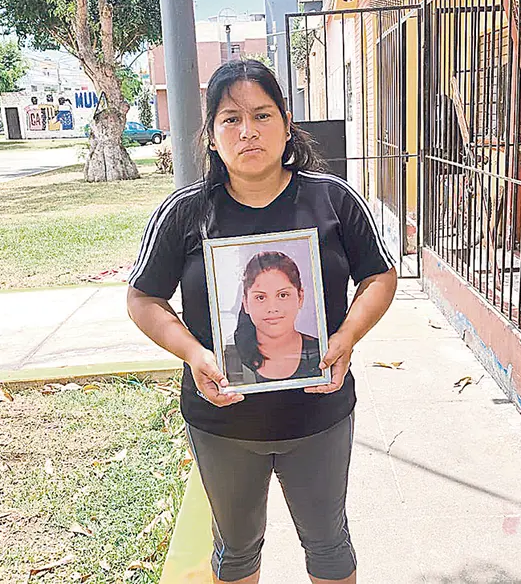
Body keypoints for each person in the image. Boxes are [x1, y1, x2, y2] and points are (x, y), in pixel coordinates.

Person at [126, 59, 397, 584]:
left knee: (329, 543)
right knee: (236, 549)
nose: (247, 131)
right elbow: (143, 300)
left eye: (262, 114)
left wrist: (343, 339)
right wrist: (194, 354)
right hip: (223, 423)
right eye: (230, 119)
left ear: (287, 122)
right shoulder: (184, 212)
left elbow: (379, 278)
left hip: (318, 416)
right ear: (211, 134)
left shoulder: (333, 200)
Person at [223, 250, 321, 386]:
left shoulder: (321, 353)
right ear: (245, 303)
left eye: (283, 295)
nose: (272, 308)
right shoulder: (230, 358)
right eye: (261, 297)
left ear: (300, 297)